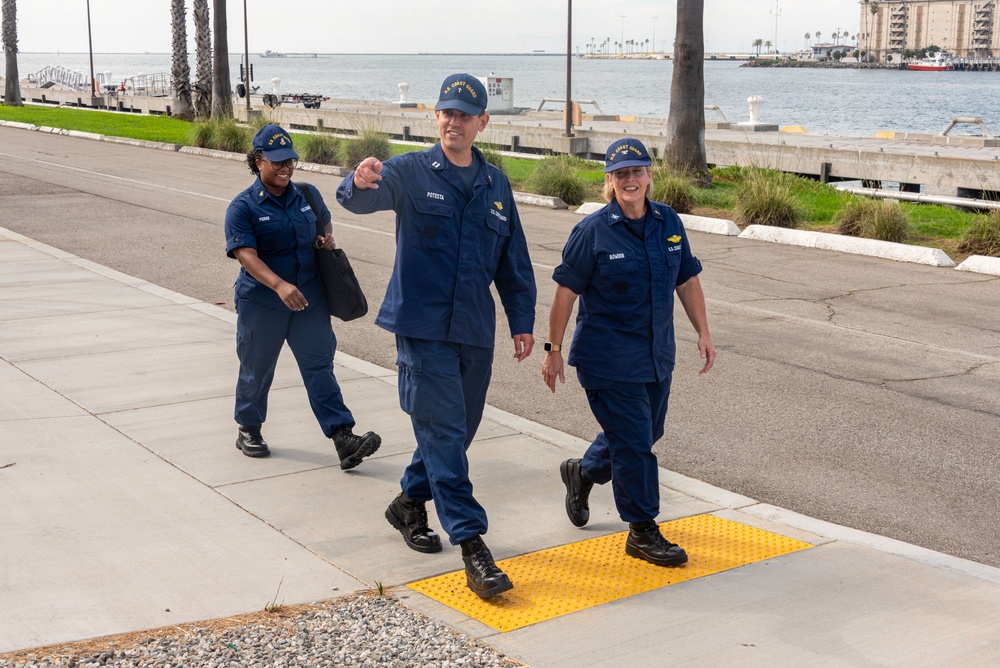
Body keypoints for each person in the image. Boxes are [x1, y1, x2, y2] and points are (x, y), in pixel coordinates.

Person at [336, 74, 536, 599]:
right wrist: (357, 180)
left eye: (465, 115)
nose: (454, 122)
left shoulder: (495, 185)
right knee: (445, 431)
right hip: (422, 329)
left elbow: (512, 260)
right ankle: (473, 547)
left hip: (473, 329)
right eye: (446, 113)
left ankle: (407, 503)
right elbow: (354, 200)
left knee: (457, 431)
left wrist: (522, 320)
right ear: (436, 117)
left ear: (482, 123)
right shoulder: (409, 171)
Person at [541, 137, 715, 568]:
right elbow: (565, 293)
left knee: (643, 434)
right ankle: (642, 530)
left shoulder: (668, 221)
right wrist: (553, 348)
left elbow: (687, 279)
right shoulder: (592, 231)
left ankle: (583, 472)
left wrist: (703, 332)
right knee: (636, 444)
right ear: (610, 182)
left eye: (637, 171)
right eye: (621, 174)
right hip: (608, 359)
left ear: (649, 176)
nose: (630, 179)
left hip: (656, 356)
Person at [224, 123, 381, 467]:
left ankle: (342, 436)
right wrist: (279, 285)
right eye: (277, 162)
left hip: (308, 298)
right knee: (257, 367)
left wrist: (326, 240)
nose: (285, 168)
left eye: (290, 161)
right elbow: (245, 254)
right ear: (259, 160)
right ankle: (249, 427)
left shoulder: (307, 194)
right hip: (263, 302)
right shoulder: (243, 207)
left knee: (319, 366)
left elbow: (324, 223)